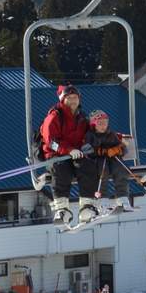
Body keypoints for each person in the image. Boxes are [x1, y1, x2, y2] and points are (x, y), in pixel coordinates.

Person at [38, 83, 92, 224]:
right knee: (61, 170)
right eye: (70, 98)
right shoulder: (55, 116)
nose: (73, 101)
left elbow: (90, 134)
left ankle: (86, 206)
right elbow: (51, 142)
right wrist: (67, 150)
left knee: (87, 165)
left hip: (75, 154)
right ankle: (62, 209)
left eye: (76, 97)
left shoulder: (82, 117)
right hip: (56, 154)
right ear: (63, 99)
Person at [82, 109, 128, 213]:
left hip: (112, 161)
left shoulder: (110, 134)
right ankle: (102, 199)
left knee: (121, 169)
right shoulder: (90, 135)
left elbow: (122, 147)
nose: (103, 126)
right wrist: (103, 151)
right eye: (100, 123)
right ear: (93, 124)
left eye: (105, 123)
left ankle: (122, 197)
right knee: (102, 172)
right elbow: (87, 150)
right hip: (97, 161)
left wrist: (118, 149)